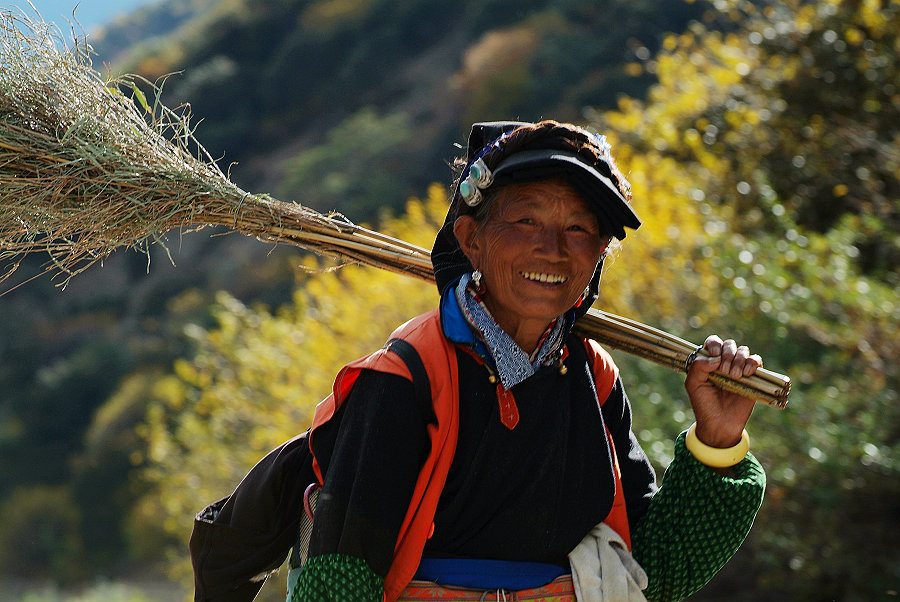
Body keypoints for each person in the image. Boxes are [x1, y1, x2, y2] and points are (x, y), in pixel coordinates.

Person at [194, 120, 766, 602]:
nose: (553, 248)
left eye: (579, 229)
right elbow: (341, 574)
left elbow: (657, 573)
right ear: (470, 239)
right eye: (526, 221)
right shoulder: (404, 378)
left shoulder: (592, 378)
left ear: (597, 259)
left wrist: (716, 444)